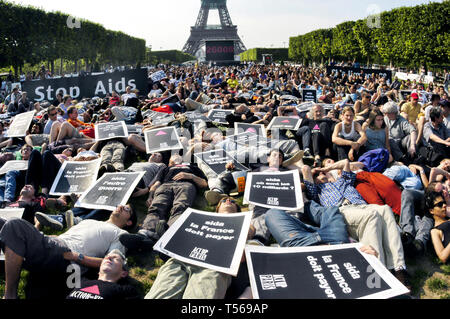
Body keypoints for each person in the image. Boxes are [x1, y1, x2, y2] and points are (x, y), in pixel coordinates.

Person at [301, 160, 409, 283]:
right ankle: (378, 272)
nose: (321, 175)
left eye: (323, 173)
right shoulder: (316, 191)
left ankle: (398, 267)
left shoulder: (343, 180)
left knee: (385, 209)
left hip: (362, 206)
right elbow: (305, 169)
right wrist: (315, 171)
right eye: (318, 176)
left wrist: (327, 168)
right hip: (342, 211)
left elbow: (345, 162)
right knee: (371, 215)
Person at [0, 204, 136, 299]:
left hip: (66, 255)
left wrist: (78, 257)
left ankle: (10, 295)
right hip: (52, 244)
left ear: (129, 222)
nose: (121, 206)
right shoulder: (89, 221)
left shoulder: (120, 234)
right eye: (122, 205)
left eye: (127, 209)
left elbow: (111, 261)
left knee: (13, 225)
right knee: (3, 223)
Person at [145, 197, 255, 299]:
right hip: (180, 261)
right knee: (161, 292)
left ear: (238, 210)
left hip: (215, 265)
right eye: (224, 200)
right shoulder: (197, 218)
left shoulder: (246, 224)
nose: (228, 201)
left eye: (232, 201)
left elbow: (251, 232)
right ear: (217, 208)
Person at [119, 154, 208, 252]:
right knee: (156, 207)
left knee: (180, 207)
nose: (176, 155)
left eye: (178, 155)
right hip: (165, 186)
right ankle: (144, 235)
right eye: (173, 155)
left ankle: (171, 233)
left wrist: (190, 176)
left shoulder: (192, 167)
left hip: (186, 185)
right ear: (170, 161)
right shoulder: (166, 169)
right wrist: (150, 196)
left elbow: (204, 183)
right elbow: (156, 183)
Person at [66, 249, 139, 300]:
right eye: (105, 258)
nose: (109, 257)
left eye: (116, 258)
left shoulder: (125, 291)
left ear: (123, 273)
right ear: (99, 270)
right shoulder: (81, 280)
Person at [427, 191, 450, 264]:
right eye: (440, 204)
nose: (444, 205)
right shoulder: (435, 231)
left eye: (444, 203)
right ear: (431, 211)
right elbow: (443, 257)